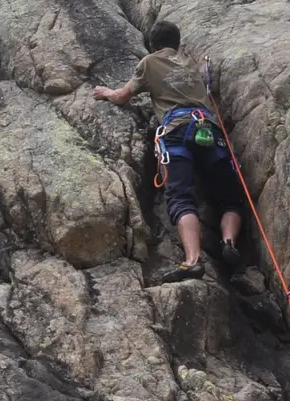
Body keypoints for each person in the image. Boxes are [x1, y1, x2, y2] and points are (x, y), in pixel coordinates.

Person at [92, 20, 244, 284]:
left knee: (181, 197)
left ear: (153, 45)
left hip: (176, 132)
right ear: (177, 43)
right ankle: (229, 241)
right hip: (209, 130)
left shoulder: (149, 63)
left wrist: (106, 92)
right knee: (231, 198)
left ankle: (192, 260)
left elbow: (122, 96)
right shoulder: (191, 63)